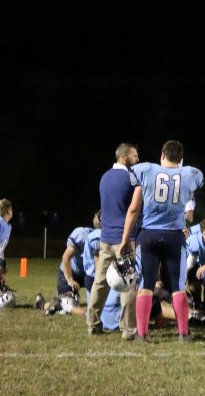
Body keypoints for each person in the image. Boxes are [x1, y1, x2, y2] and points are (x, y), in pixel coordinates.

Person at [118, 138, 204, 342]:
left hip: (149, 235)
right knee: (178, 287)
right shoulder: (190, 174)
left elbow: (133, 209)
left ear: (162, 155)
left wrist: (125, 239)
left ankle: (142, 334)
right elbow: (190, 193)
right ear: (181, 158)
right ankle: (183, 333)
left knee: (145, 286)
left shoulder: (146, 170)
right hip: (175, 236)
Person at [86, 142, 140, 340]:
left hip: (106, 237)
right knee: (128, 283)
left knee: (100, 281)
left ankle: (92, 324)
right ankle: (128, 329)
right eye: (135, 155)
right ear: (124, 157)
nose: (137, 159)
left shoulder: (105, 177)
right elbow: (133, 209)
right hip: (123, 238)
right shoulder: (131, 178)